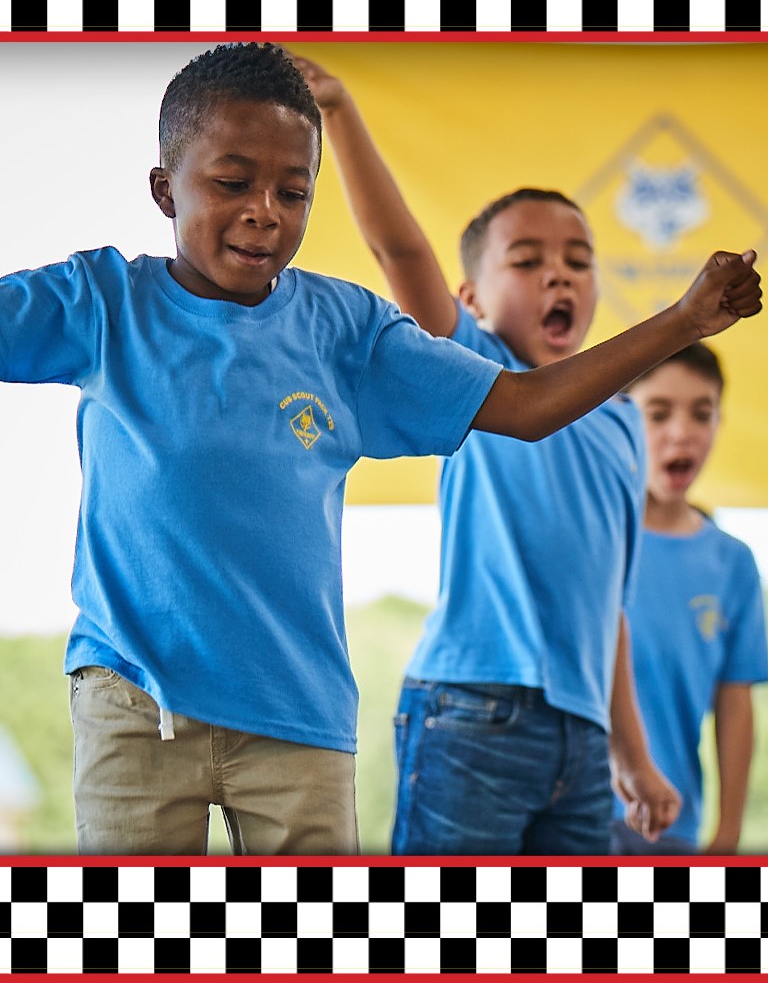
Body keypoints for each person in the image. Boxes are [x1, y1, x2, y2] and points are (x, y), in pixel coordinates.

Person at [0, 43, 760, 856]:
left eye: (293, 192)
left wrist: (685, 321)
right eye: (232, 183)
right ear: (164, 188)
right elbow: (408, 255)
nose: (265, 210)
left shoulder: (349, 332)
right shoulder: (102, 302)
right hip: (133, 697)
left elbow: (527, 408)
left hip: (299, 714)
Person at [292, 51, 760, 854]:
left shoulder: (622, 427)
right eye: (528, 261)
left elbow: (604, 604)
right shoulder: (474, 369)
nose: (559, 277)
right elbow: (400, 253)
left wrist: (632, 755)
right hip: (473, 714)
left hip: (581, 743)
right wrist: (337, 108)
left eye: (578, 261)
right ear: (470, 299)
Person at [611, 344, 768, 855]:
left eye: (702, 413)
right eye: (659, 413)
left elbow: (736, 701)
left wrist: (727, 833)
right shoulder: (599, 536)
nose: (683, 431)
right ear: (621, 419)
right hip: (579, 812)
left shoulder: (733, 562)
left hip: (674, 822)